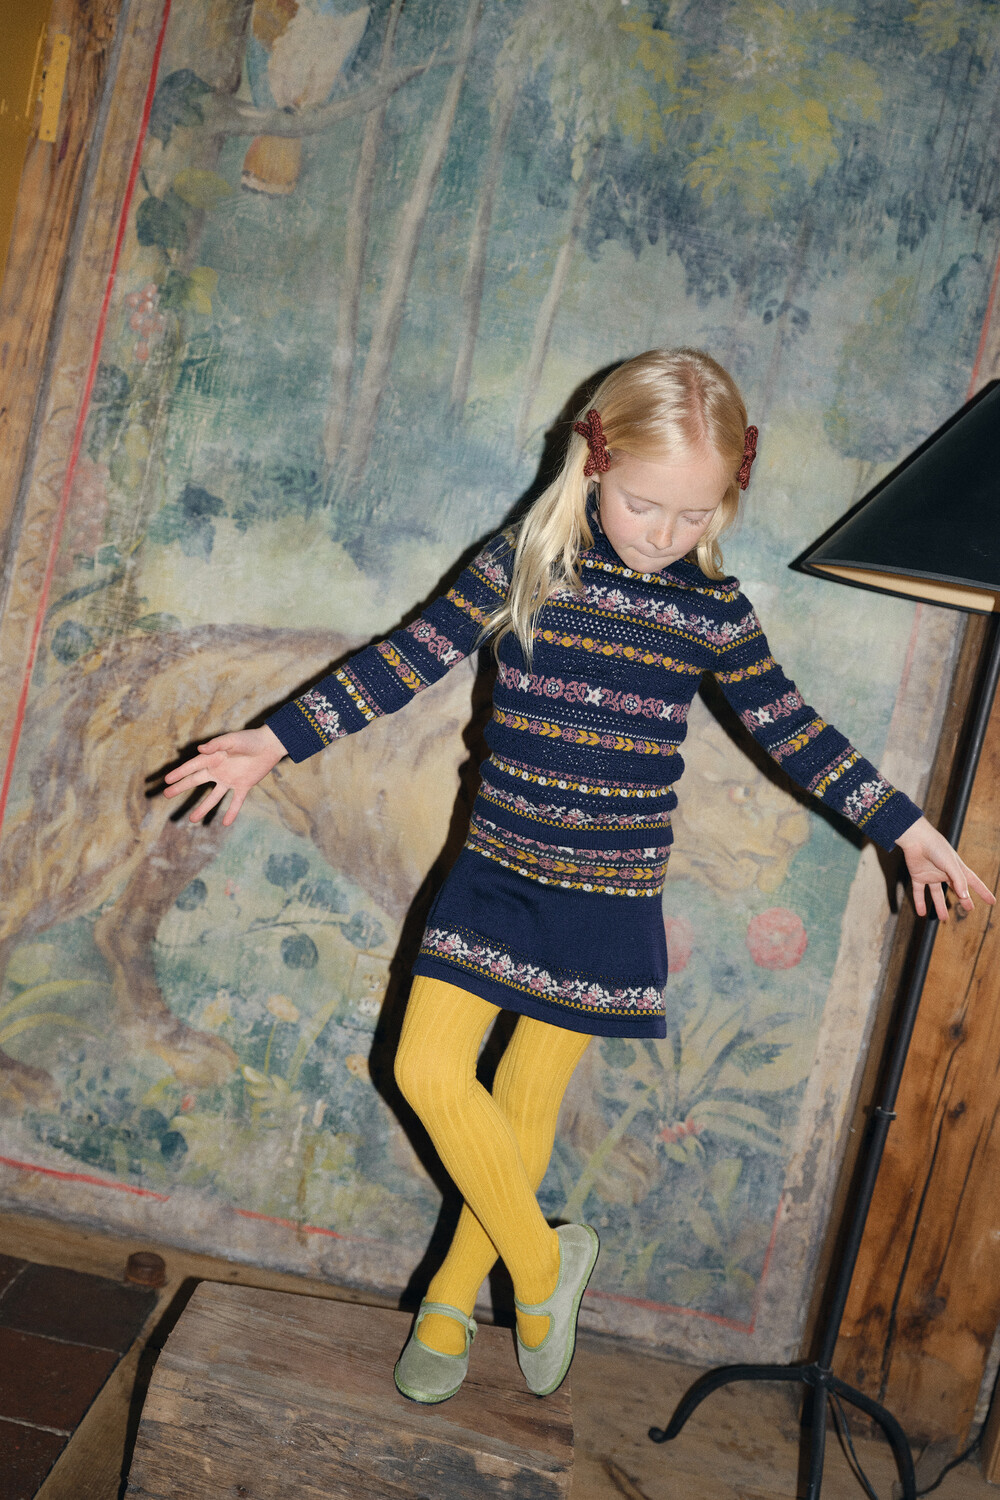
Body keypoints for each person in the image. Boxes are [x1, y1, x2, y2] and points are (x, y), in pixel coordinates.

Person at [162, 348, 994, 1405]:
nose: (665, 532)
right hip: (494, 875)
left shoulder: (712, 612)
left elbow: (790, 727)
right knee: (424, 1069)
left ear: (727, 500)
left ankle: (449, 1301)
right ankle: (544, 1263)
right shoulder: (526, 566)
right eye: (645, 504)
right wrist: (275, 740)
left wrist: (900, 824)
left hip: (608, 897)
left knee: (524, 1100)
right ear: (591, 465)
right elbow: (406, 656)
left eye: (695, 514)